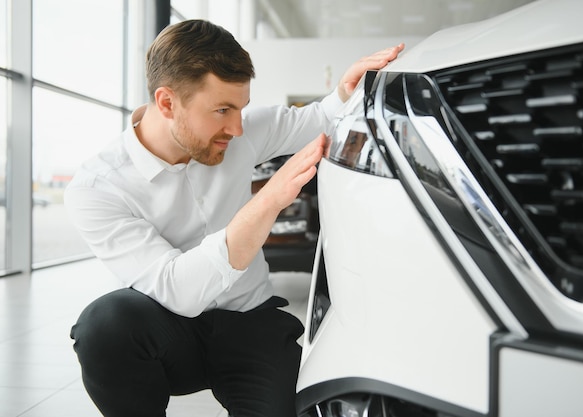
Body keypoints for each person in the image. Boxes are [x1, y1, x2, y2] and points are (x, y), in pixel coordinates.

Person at [65, 19, 403, 417]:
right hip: (169, 329)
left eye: (240, 108)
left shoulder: (240, 130)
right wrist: (267, 203)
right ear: (167, 103)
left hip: (250, 321)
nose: (237, 127)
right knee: (104, 327)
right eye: (222, 110)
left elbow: (318, 118)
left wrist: (345, 91)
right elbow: (179, 292)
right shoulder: (97, 188)